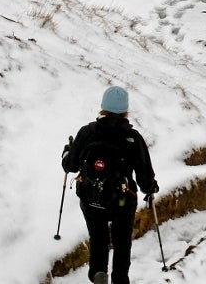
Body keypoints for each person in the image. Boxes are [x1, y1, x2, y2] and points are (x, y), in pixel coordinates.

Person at [62, 86, 159, 284]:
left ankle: (98, 273)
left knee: (98, 238)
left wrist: (66, 152)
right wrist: (151, 189)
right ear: (125, 110)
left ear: (103, 107)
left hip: (91, 199)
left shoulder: (87, 132)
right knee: (122, 242)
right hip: (122, 201)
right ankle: (120, 279)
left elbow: (70, 165)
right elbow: (144, 175)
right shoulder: (132, 138)